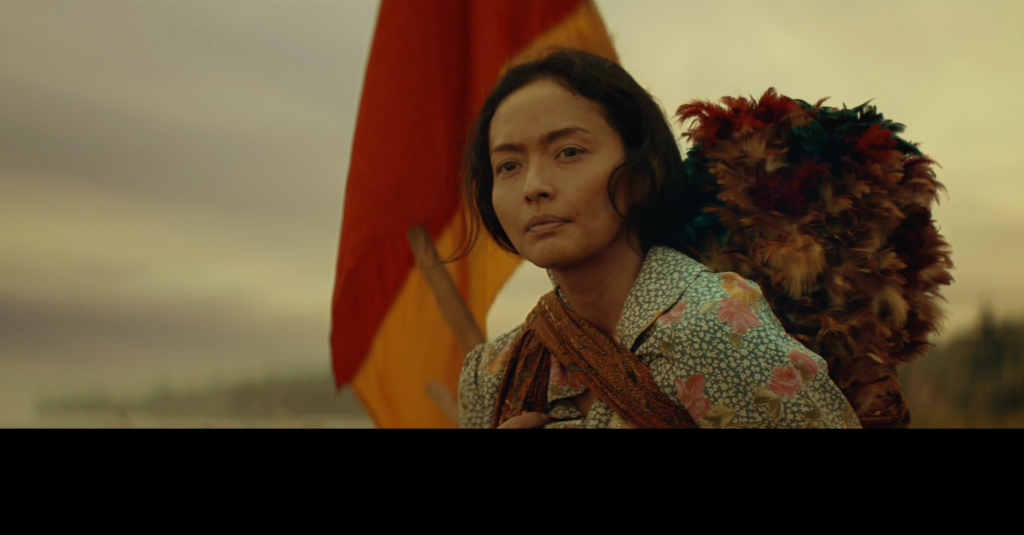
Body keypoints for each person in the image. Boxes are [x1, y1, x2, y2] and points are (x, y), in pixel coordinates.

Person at [455, 48, 861, 429]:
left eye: (569, 152)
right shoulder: (494, 374)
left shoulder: (716, 329)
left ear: (642, 175)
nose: (534, 186)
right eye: (508, 165)